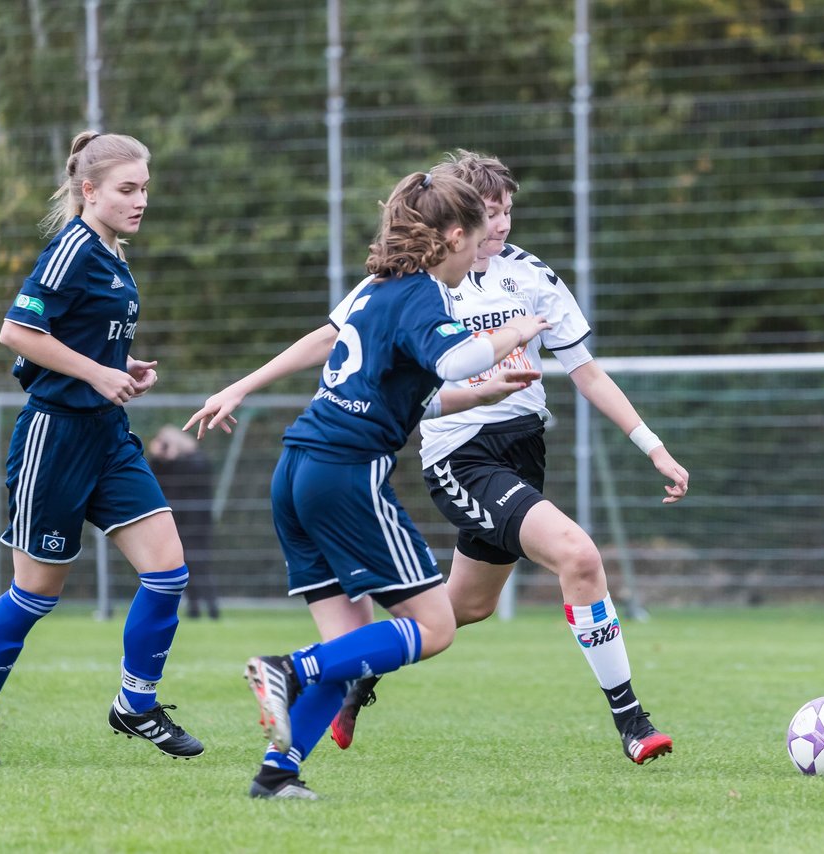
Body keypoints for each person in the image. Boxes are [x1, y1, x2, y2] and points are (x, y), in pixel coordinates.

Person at [184, 170, 550, 799]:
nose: (484, 250)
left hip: (299, 468)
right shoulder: (423, 294)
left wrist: (479, 394)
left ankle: (278, 775)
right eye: (480, 235)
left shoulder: (377, 292)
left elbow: (402, 396)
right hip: (345, 475)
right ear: (455, 236)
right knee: (434, 627)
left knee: (352, 645)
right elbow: (456, 357)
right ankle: (287, 670)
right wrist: (515, 331)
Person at [329, 150, 690, 766]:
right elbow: (337, 336)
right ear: (457, 220)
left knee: (465, 607)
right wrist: (244, 384)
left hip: (523, 451)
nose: (500, 225)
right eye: (489, 214)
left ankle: (358, 674)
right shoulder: (418, 281)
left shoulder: (532, 277)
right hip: (461, 458)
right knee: (579, 556)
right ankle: (633, 721)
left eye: (507, 212)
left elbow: (587, 374)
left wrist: (652, 445)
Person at [0, 131, 203, 766]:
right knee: (35, 595)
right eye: (128, 190)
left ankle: (135, 703)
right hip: (56, 437)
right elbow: (17, 331)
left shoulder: (111, 252)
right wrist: (97, 373)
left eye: (145, 189)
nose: (140, 201)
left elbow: (80, 335)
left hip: (107, 437)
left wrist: (120, 364)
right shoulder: (71, 248)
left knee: (168, 569)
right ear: (90, 190)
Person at [148, 425, 220, 620]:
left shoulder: (196, 460)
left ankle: (213, 609)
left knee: (199, 565)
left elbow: (191, 474)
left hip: (196, 524)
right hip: (175, 522)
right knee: (180, 566)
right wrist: (157, 457)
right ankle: (193, 609)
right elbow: (152, 477)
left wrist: (174, 456)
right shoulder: (166, 464)